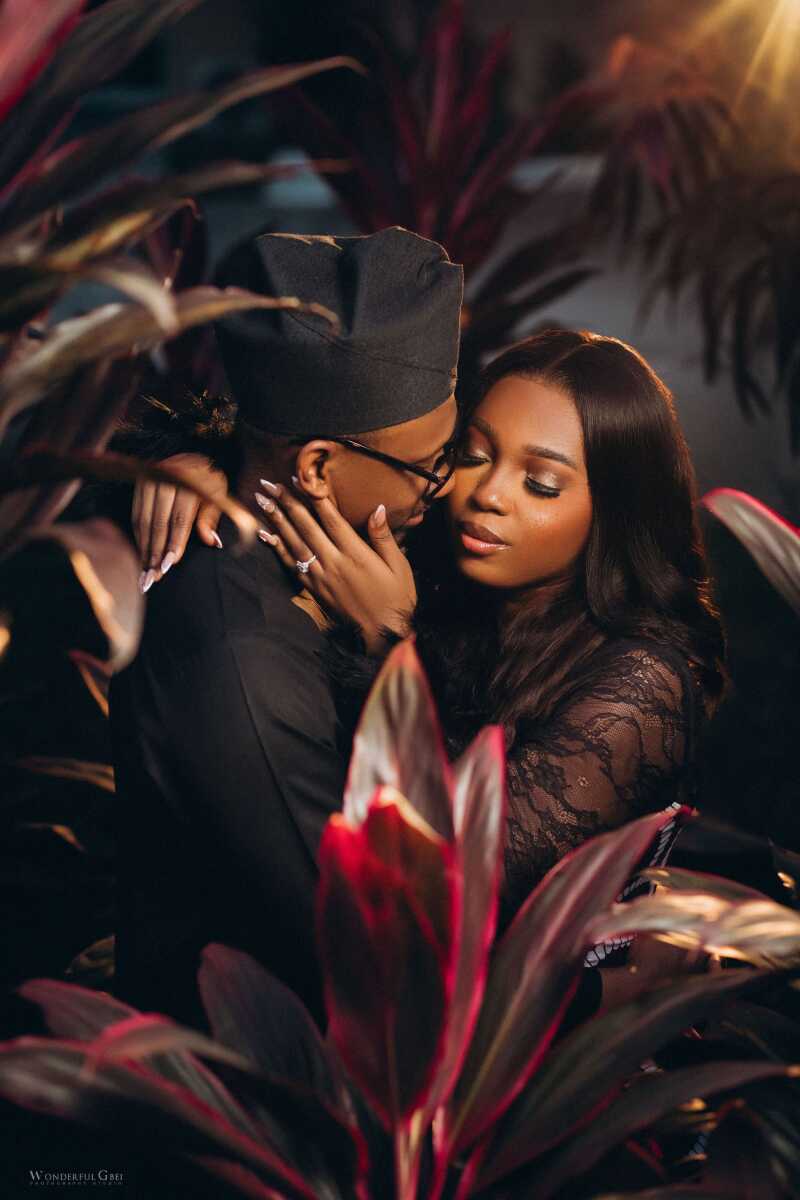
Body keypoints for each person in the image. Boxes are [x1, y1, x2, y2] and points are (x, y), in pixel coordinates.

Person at [138, 329, 727, 999]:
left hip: (529, 1041)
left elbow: (454, 901)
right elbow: (314, 456)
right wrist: (207, 465)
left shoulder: (642, 683)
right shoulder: (433, 567)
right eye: (472, 455)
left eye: (540, 483)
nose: (487, 494)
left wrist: (391, 647)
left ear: (616, 509)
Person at [109, 227, 464, 1030]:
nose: (443, 489)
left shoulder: (364, 541)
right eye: (428, 467)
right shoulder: (241, 667)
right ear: (316, 469)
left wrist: (202, 451)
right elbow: (368, 963)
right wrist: (397, 651)